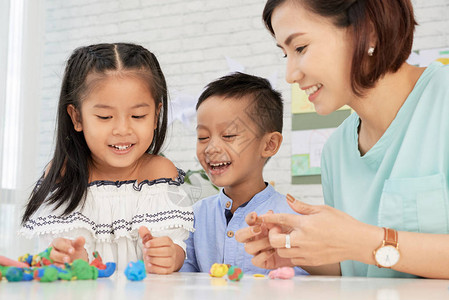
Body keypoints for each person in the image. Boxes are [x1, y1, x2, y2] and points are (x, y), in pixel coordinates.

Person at [236, 0, 449, 279]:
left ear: (369, 30)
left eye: (300, 48)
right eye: (285, 54)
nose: (290, 75)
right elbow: (356, 267)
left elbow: (362, 245)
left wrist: (359, 240)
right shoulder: (336, 151)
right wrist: (296, 247)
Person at [20, 43, 194, 274]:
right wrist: (69, 256)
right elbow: (61, 253)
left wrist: (171, 255)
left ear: (156, 115)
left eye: (138, 115)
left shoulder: (159, 174)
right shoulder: (64, 174)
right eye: (105, 116)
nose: (122, 129)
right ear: (77, 117)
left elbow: (175, 244)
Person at [180, 72, 307, 276]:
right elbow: (183, 282)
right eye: (203, 137)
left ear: (269, 144)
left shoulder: (292, 220)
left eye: (228, 135)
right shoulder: (193, 217)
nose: (211, 148)